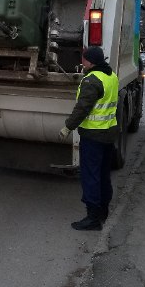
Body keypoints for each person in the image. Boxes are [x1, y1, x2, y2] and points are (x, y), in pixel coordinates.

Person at [59, 45, 119, 231]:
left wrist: (67, 127)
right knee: (103, 175)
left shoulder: (91, 81)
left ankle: (93, 218)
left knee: (90, 176)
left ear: (90, 61)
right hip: (108, 134)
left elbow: (82, 108)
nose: (81, 61)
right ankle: (103, 211)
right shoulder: (111, 76)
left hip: (93, 136)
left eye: (84, 58)